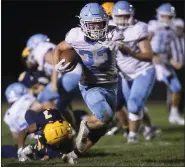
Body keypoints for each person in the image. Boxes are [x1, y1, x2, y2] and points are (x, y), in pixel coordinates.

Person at [53, 2, 154, 163]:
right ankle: (84, 125)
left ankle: (76, 150)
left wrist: (120, 45)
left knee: (104, 123)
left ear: (106, 21)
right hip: (90, 84)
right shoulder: (75, 35)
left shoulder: (114, 33)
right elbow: (58, 48)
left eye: (99, 24)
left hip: (111, 85)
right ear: (82, 24)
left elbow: (122, 43)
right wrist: (57, 64)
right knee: (105, 115)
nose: (95, 28)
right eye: (91, 25)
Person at [111, 1, 156, 143]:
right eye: (119, 17)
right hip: (125, 74)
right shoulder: (109, 28)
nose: (122, 20)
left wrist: (130, 52)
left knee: (134, 104)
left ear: (131, 15)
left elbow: (149, 55)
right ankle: (150, 128)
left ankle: (132, 135)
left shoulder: (138, 28)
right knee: (134, 104)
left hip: (143, 70)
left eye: (125, 16)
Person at [148, 3, 184, 125]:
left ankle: (174, 115)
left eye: (169, 17)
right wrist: (151, 54)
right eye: (164, 16)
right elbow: (146, 40)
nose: (166, 19)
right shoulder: (153, 25)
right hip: (152, 59)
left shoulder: (176, 24)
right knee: (145, 90)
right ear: (159, 15)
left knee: (177, 88)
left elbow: (180, 31)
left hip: (165, 59)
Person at [167, 18, 185, 114]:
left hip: (183, 66)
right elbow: (166, 52)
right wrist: (172, 61)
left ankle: (180, 109)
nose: (178, 29)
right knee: (173, 88)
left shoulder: (183, 38)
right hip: (173, 66)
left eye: (180, 27)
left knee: (181, 89)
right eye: (176, 27)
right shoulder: (170, 38)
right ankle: (172, 110)